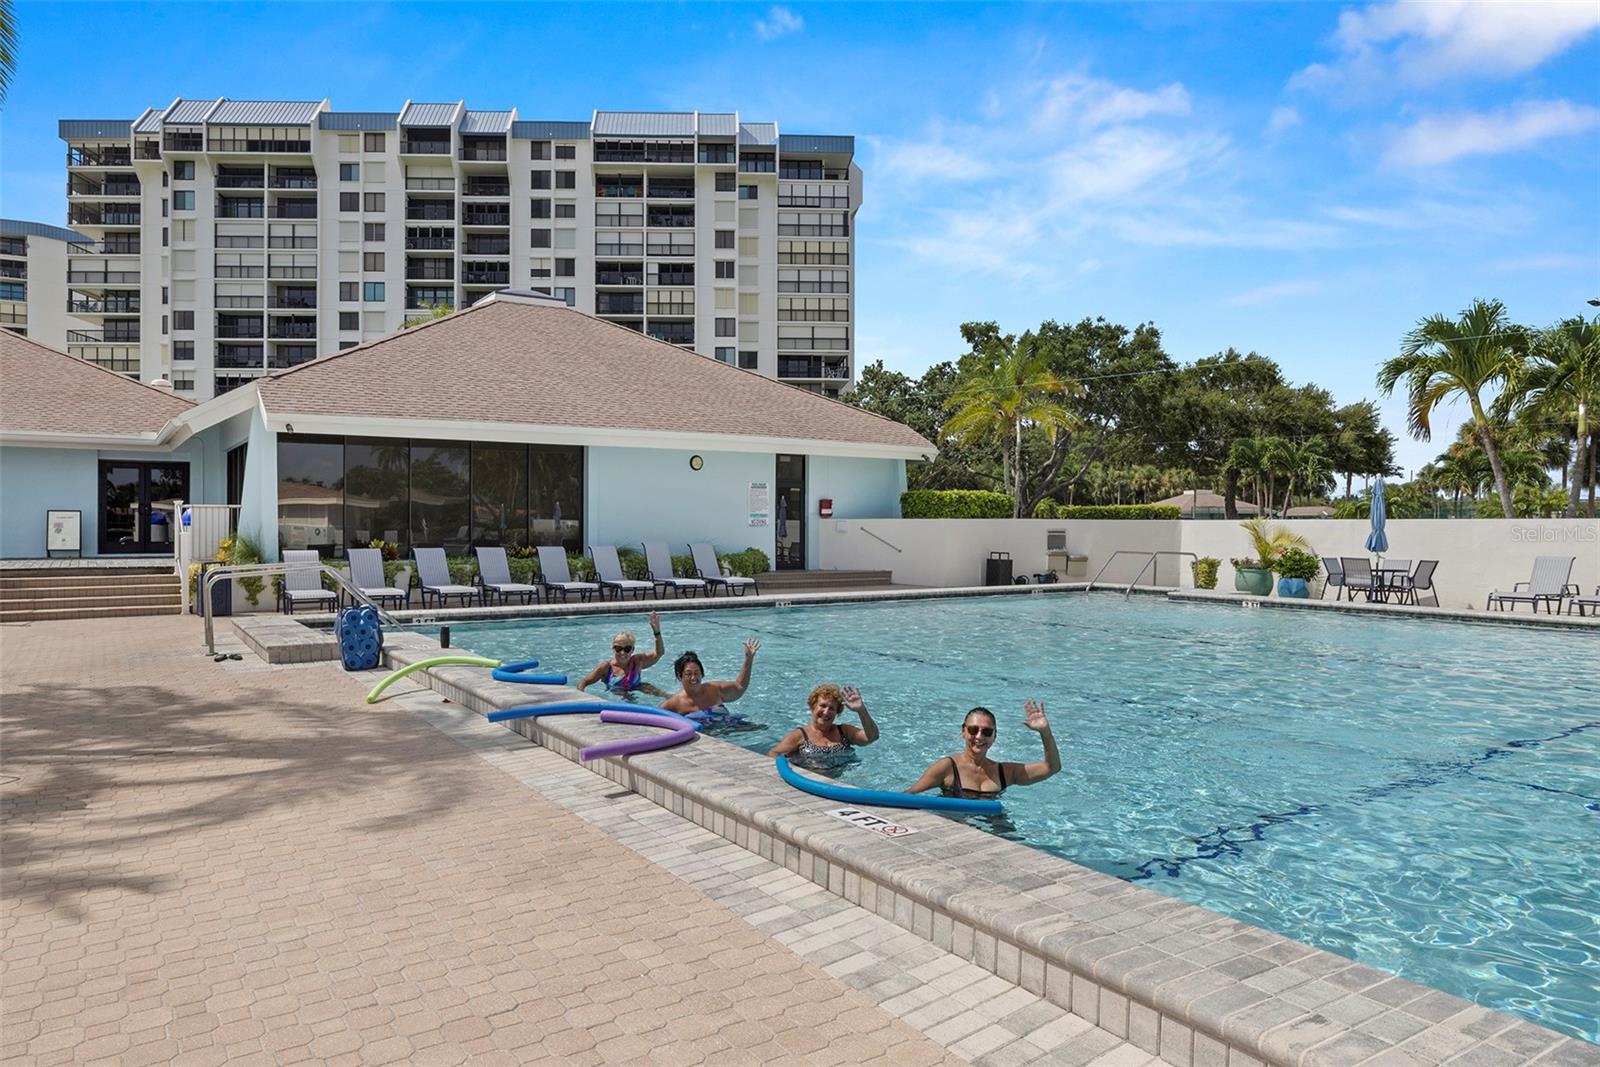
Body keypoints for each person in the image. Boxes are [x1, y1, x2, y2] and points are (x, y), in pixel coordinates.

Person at [906, 701, 1060, 799]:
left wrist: (1045, 732)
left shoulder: (1005, 772)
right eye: (973, 730)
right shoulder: (947, 767)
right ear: (963, 732)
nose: (979, 737)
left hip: (995, 832)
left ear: (994, 736)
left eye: (987, 732)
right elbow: (909, 795)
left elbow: (1051, 768)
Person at [767, 685, 878, 767]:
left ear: (837, 712)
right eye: (823, 706)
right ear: (813, 706)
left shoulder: (844, 731)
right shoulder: (800, 735)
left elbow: (872, 737)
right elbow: (773, 754)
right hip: (810, 784)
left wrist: (861, 710)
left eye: (832, 708)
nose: (826, 712)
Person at [658, 639, 760, 721]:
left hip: (731, 731)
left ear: (702, 674)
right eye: (688, 674)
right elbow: (652, 717)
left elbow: (739, 687)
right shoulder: (675, 703)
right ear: (680, 676)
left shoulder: (714, 689)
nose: (693, 678)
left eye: (697, 673)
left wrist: (748, 659)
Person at [576, 611, 666, 696]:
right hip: (615, 698)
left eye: (627, 649)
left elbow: (659, 653)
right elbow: (584, 682)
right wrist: (581, 697)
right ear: (613, 649)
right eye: (618, 648)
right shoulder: (606, 667)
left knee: (662, 695)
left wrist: (657, 632)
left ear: (633, 650)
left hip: (637, 692)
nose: (622, 653)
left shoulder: (637, 661)